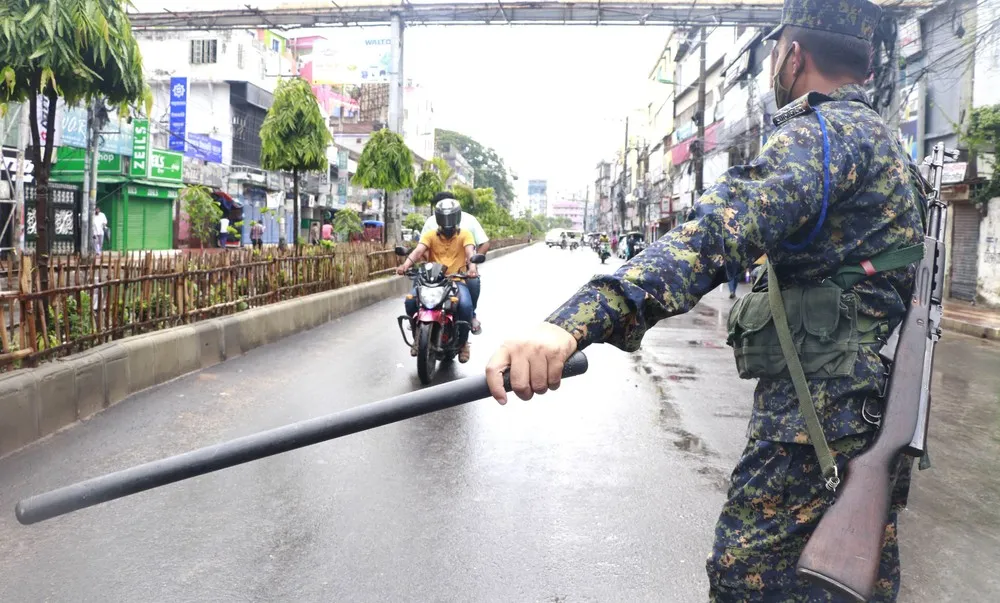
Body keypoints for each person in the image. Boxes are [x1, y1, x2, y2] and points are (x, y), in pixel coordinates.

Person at [485, 0, 925, 600]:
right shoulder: (887, 145)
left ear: (793, 58)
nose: (774, 63)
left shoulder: (825, 134)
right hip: (861, 414)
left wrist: (571, 324)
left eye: (774, 52)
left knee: (745, 580)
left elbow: (716, 233)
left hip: (816, 424)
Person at [397, 198, 478, 363]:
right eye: (444, 218)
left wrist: (472, 268)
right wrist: (404, 266)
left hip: (456, 280)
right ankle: (418, 338)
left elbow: (470, 253)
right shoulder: (429, 235)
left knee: (465, 306)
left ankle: (463, 344)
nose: (447, 223)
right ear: (439, 219)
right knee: (411, 301)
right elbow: (418, 252)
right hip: (432, 281)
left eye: (450, 218)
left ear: (456, 218)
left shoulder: (465, 234)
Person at [421, 196, 490, 334]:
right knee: (415, 293)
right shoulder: (430, 223)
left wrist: (472, 265)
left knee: (471, 289)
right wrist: (427, 264)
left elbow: (484, 243)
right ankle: (418, 318)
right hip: (435, 274)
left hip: (461, 273)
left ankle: (471, 316)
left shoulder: (469, 222)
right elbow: (421, 249)